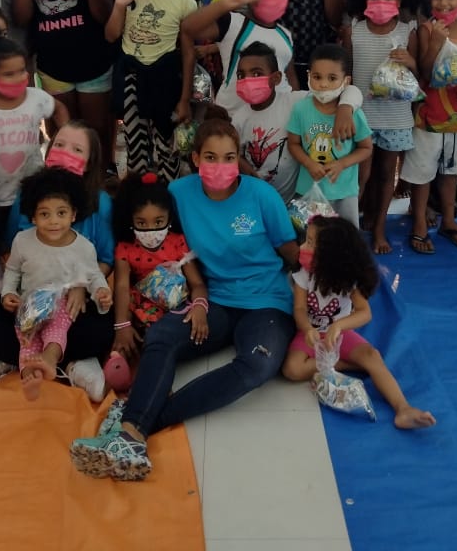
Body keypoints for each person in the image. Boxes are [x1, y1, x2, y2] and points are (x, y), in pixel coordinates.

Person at [70, 118, 300, 481]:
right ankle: (133, 430)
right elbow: (144, 219)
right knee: (162, 336)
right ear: (195, 158)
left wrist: (325, 286)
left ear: (238, 158)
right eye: (210, 156)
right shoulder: (178, 193)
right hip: (212, 297)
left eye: (229, 157)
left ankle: (136, 426)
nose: (220, 165)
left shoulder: (262, 196)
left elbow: (292, 252)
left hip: (266, 301)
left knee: (258, 364)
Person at [0, 121, 117, 393]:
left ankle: (70, 363)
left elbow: (105, 260)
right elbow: (10, 254)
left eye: (76, 149)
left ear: (89, 162)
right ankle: (17, 358)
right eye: (59, 144)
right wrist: (13, 294)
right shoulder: (28, 194)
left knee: (101, 328)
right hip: (29, 296)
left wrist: (80, 287)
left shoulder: (101, 203)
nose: (65, 152)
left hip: (73, 301)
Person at [283, 216, 436, 429]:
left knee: (371, 356)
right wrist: (307, 329)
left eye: (309, 242)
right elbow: (300, 309)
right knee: (292, 369)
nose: (302, 247)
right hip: (312, 334)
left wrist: (338, 326)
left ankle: (403, 409)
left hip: (340, 335)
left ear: (330, 254)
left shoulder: (348, 278)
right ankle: (350, 365)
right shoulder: (303, 273)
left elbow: (365, 313)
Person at [12, 0, 118, 161]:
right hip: (53, 69)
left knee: (97, 133)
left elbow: (105, 17)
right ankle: (66, 180)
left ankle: (100, 180)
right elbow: (22, 18)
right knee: (61, 133)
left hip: (95, 65)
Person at [2, 169, 112, 400]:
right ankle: (31, 377)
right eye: (45, 214)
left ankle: (50, 359)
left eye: (61, 213)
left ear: (73, 214)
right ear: (33, 217)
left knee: (58, 325)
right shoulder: (22, 241)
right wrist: (8, 293)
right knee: (26, 342)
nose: (53, 221)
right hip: (29, 305)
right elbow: (12, 270)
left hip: (63, 303)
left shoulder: (83, 247)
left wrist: (101, 290)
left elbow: (93, 275)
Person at [106, 0, 196, 182]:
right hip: (131, 79)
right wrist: (120, 4)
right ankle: (137, 194)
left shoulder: (185, 3)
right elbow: (111, 35)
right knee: (135, 145)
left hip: (165, 81)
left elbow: (188, 53)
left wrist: (184, 99)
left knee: (167, 145)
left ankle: (168, 194)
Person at [402, 0, 457, 253]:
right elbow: (424, 73)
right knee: (422, 174)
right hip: (430, 116)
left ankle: (449, 221)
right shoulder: (426, 30)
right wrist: (436, 42)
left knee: (450, 173)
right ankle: (419, 224)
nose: (443, 3)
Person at [343, 0, 419, 253]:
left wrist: (410, 61)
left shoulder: (407, 31)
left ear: (399, 0)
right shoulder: (354, 31)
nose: (380, 2)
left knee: (388, 174)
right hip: (361, 119)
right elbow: (346, 74)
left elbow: (418, 75)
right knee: (360, 177)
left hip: (396, 118)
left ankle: (379, 228)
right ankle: (351, 226)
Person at [0, 34, 67, 237]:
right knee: (2, 237)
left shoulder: (36, 98)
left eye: (22, 71)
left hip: (34, 189)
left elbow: (59, 109)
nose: (18, 78)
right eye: (9, 74)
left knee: (33, 234)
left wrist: (62, 142)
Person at [233, 41, 363, 202]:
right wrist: (243, 166)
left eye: (256, 74)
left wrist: (345, 107)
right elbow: (232, 153)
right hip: (257, 198)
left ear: (276, 78)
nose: (247, 80)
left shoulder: (296, 102)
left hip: (294, 199)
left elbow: (349, 90)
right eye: (241, 75)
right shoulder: (239, 119)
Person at [109, 172, 205, 362]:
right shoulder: (125, 248)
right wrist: (122, 325)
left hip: (175, 304)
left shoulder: (177, 242)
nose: (151, 230)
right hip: (139, 306)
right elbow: (121, 286)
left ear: (169, 219)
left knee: (160, 338)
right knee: (124, 338)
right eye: (141, 223)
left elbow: (197, 284)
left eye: (159, 222)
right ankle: (118, 363)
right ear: (130, 220)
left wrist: (200, 307)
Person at [181, 0, 298, 113]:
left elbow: (290, 77)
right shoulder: (232, 23)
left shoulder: (285, 34)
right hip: (232, 118)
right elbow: (188, 28)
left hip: (276, 120)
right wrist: (225, 3)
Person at [287, 44, 374, 226]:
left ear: (346, 81)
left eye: (332, 78)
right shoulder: (300, 109)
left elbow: (366, 148)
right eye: (317, 77)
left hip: (344, 193)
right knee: (310, 235)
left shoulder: (354, 114)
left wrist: (342, 163)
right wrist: (309, 163)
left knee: (345, 236)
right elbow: (293, 144)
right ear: (308, 75)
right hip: (308, 190)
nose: (323, 84)